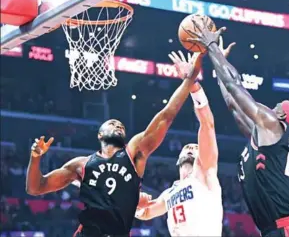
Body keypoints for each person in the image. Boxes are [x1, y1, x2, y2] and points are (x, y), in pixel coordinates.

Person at [25, 51, 203, 237]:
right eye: (112, 124)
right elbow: (35, 187)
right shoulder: (81, 165)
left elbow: (165, 116)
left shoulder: (133, 153)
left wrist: (190, 79)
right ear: (100, 135)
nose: (118, 125)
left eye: (121, 126)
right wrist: (35, 158)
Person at [187, 17, 289, 237]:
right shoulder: (263, 136)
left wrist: (211, 46)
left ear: (282, 114)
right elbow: (232, 103)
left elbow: (235, 85)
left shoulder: (273, 125)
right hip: (274, 229)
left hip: (284, 228)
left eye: (277, 105)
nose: (272, 105)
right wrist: (218, 62)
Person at [135, 51, 223, 237]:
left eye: (195, 147)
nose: (192, 147)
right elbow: (146, 213)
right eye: (189, 147)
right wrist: (137, 205)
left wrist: (192, 84)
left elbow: (207, 124)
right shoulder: (170, 192)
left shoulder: (204, 172)